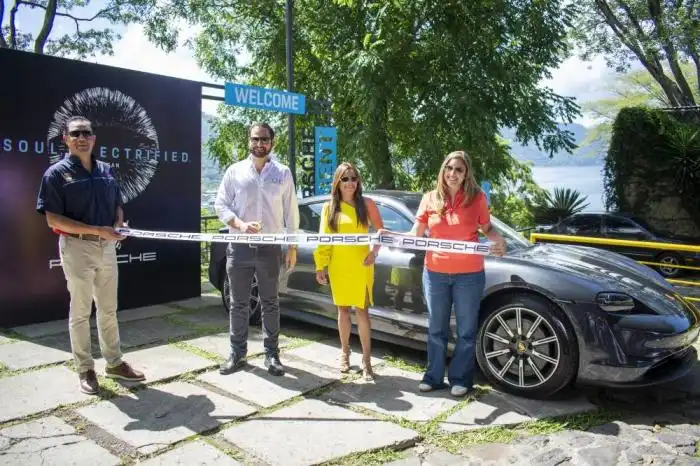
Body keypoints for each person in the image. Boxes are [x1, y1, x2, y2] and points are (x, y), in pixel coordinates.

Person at [380, 151, 505, 397]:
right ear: (443, 170)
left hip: (469, 275)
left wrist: (497, 240)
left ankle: (461, 380)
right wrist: (391, 235)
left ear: (466, 173)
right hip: (435, 274)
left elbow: (487, 228)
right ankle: (433, 377)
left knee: (466, 330)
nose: (453, 173)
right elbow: (416, 235)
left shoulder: (477, 198)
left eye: (459, 169)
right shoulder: (429, 199)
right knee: (436, 328)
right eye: (449, 168)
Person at [36, 116, 146, 395]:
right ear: (66, 138)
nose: (81, 137)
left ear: (94, 138)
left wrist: (119, 222)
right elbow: (52, 219)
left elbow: (117, 204)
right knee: (81, 311)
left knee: (108, 309)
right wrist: (97, 230)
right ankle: (85, 368)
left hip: (107, 248)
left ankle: (114, 363)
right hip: (77, 247)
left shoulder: (106, 170)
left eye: (86, 133)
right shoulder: (56, 174)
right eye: (75, 133)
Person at [214, 122, 299, 377]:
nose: (259, 144)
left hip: (270, 249)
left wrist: (292, 245)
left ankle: (272, 355)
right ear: (248, 141)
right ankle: (237, 353)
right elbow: (220, 205)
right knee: (238, 303)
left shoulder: (283, 173)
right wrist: (239, 224)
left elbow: (291, 213)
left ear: (272, 142)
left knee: (270, 303)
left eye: (264, 139)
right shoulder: (235, 171)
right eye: (255, 139)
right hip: (239, 247)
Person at [313, 163, 383, 381]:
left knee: (362, 311)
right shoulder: (329, 207)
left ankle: (367, 361)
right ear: (337, 182)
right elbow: (324, 238)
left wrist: (374, 252)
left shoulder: (367, 204)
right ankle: (345, 353)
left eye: (353, 178)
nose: (350, 183)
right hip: (339, 265)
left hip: (362, 264)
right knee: (343, 310)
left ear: (358, 181)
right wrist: (320, 265)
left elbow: (381, 232)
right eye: (345, 179)